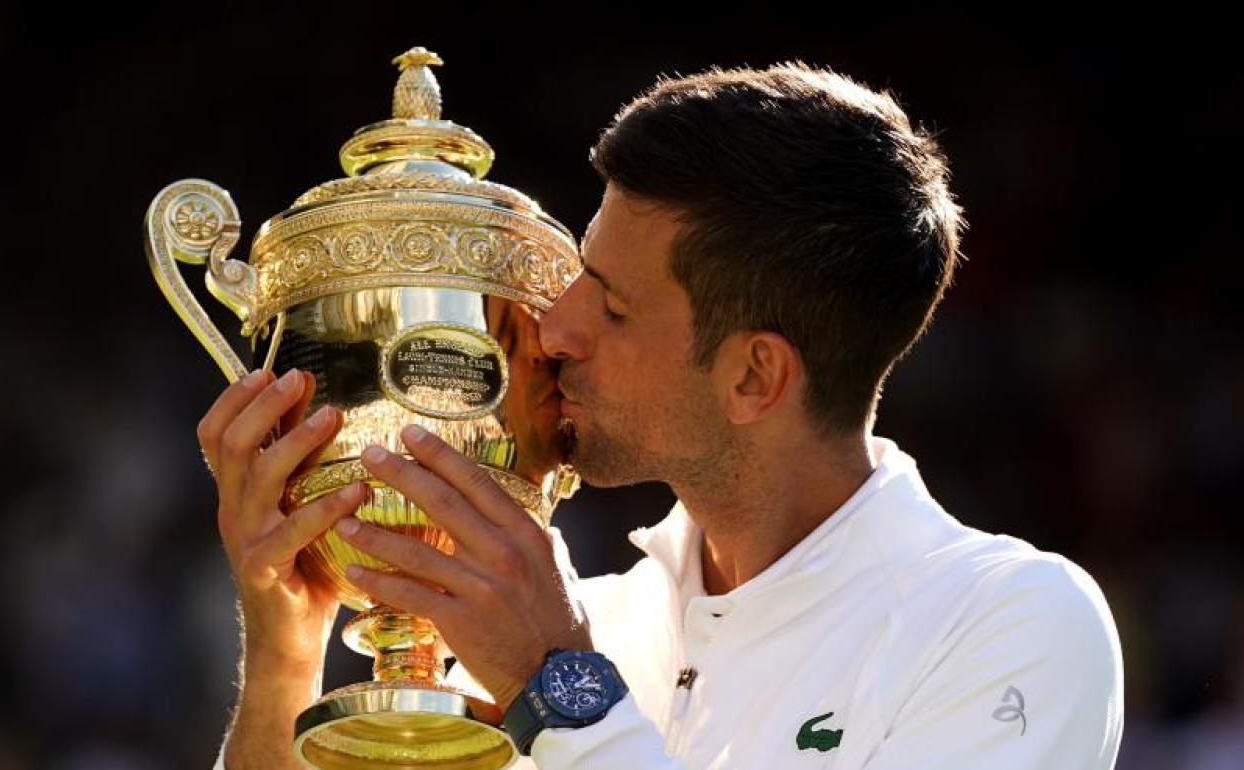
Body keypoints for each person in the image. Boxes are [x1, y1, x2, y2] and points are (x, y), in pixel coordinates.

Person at [201, 62, 1123, 769]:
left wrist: (555, 690)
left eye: (610, 304)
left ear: (755, 377)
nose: (554, 330)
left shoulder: (1011, 625)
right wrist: (288, 651)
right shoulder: (571, 628)